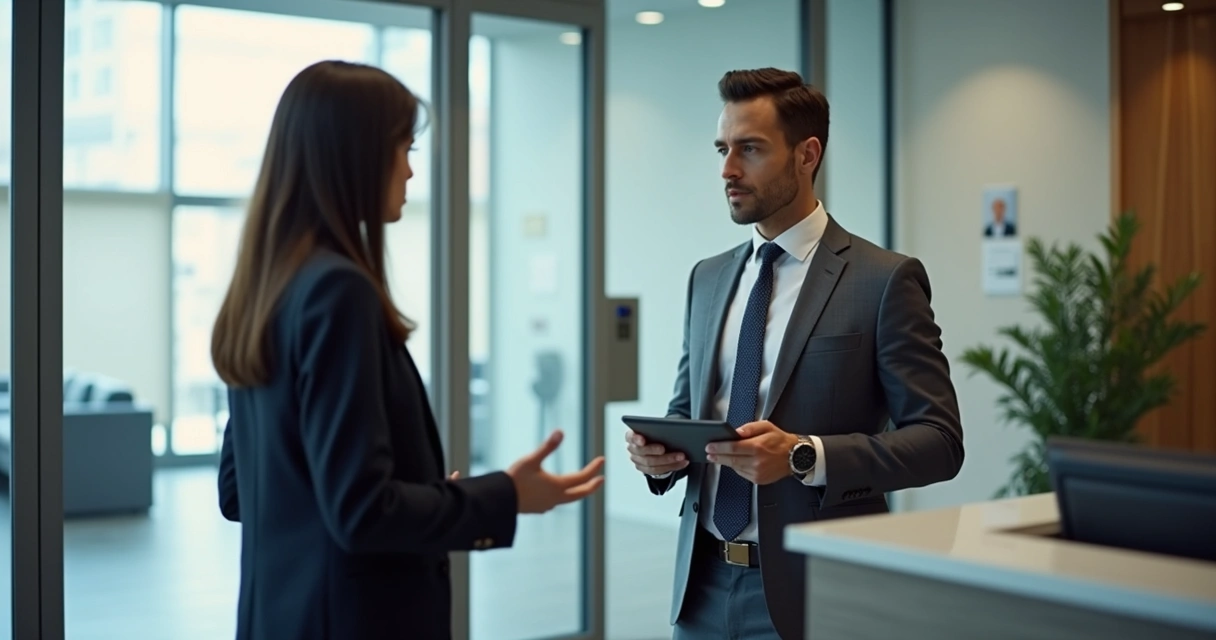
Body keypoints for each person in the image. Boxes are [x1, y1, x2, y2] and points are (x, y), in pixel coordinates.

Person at [213, 60, 604, 640]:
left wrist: (428, 495)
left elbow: (242, 491)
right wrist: (503, 494)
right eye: (404, 147)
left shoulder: (269, 288)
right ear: (356, 155)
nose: (410, 170)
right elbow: (361, 511)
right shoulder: (337, 291)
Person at [625, 68, 965, 640]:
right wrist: (659, 456)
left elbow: (940, 442)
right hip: (700, 586)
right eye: (722, 149)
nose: (728, 170)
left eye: (749, 149)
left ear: (807, 155)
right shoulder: (707, 280)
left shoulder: (884, 280)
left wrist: (805, 456)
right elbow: (687, 413)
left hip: (820, 593)